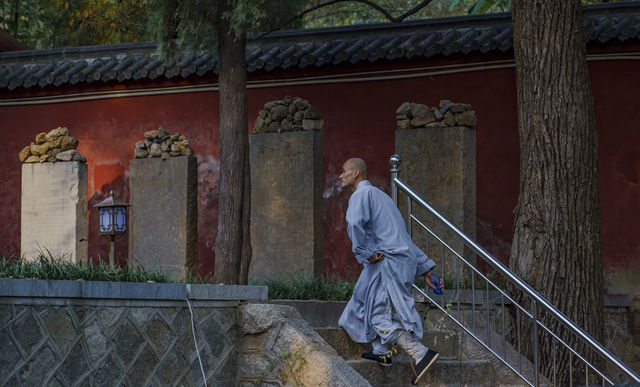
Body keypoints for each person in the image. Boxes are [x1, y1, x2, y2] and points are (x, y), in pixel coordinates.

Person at [337, 157, 442, 385]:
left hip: (388, 261)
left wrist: (364, 252)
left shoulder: (361, 195)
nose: (340, 176)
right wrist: (425, 269)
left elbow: (354, 224)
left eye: (343, 172)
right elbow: (401, 236)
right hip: (401, 260)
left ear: (356, 173)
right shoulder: (383, 197)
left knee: (375, 314)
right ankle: (381, 351)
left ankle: (420, 353)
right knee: (362, 303)